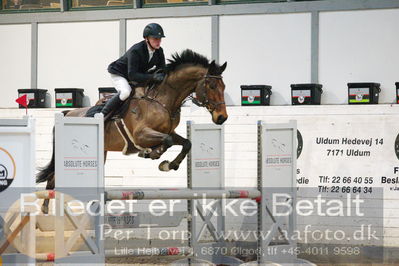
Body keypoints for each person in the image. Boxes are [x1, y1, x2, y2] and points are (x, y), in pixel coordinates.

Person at [101, 23, 166, 117]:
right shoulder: (136, 50)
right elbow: (133, 75)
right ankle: (102, 115)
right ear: (146, 39)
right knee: (126, 92)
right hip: (119, 73)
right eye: (155, 39)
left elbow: (162, 69)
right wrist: (152, 77)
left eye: (160, 39)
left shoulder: (159, 51)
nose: (158, 41)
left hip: (135, 75)